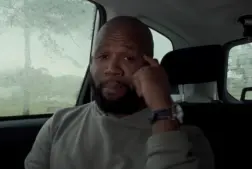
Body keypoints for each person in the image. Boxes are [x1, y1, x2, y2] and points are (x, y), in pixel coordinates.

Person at [25, 16, 214, 169]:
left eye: (128, 57)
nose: (112, 68)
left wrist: (163, 109)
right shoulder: (59, 124)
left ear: (150, 67)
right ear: (91, 64)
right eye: (103, 56)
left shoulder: (185, 137)